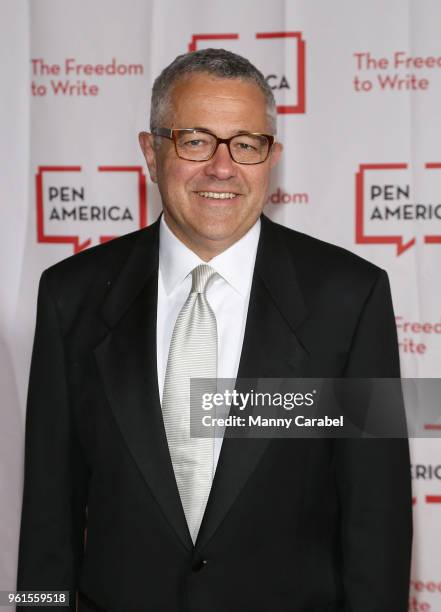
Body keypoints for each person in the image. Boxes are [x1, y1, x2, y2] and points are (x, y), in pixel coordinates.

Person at [17, 48, 412, 611]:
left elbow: (379, 523)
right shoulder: (71, 297)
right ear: (151, 153)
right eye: (195, 140)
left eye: (246, 144)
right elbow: (47, 521)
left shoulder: (351, 298)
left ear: (271, 157)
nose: (222, 168)